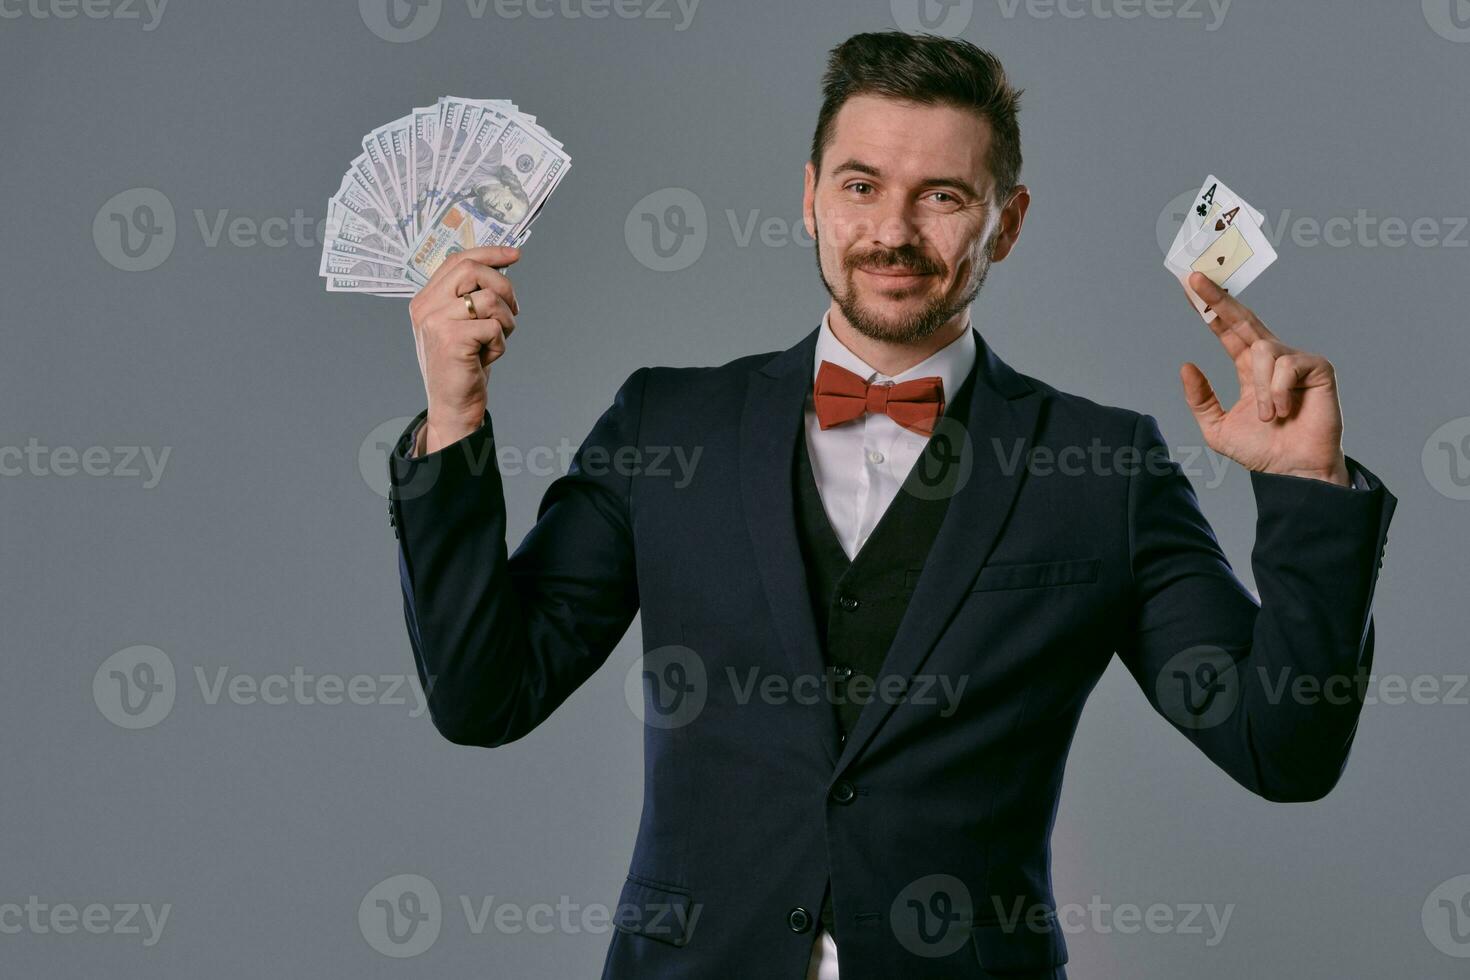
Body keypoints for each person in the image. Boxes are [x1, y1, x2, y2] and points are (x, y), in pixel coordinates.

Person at [384, 31, 1395, 980]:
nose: (894, 232)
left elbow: (1282, 747)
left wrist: (1307, 488)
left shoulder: (1105, 467)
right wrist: (455, 411)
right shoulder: (666, 425)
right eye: (863, 186)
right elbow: (485, 694)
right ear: (812, 198)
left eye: (944, 195)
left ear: (1009, 220)